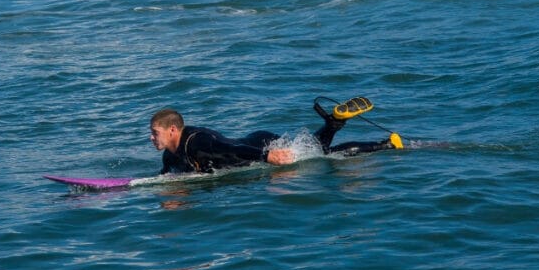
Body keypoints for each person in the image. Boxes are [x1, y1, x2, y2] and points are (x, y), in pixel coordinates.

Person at [149, 96, 403, 174]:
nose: (151, 138)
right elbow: (163, 179)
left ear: (173, 129)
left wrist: (266, 155)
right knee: (315, 149)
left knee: (323, 155)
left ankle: (388, 145)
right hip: (257, 144)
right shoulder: (170, 157)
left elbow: (229, 149)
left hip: (260, 144)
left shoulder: (197, 141)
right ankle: (334, 122)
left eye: (155, 133)